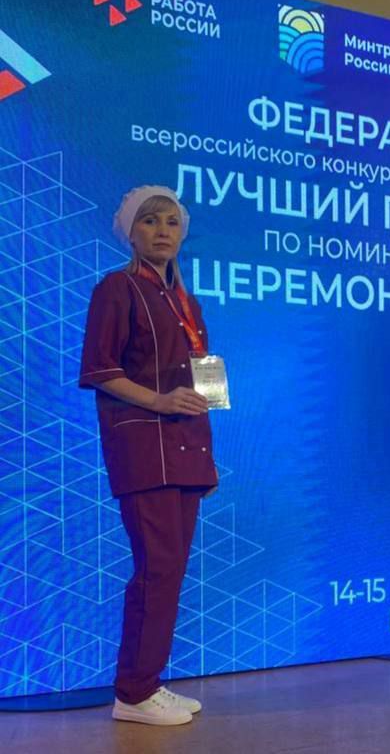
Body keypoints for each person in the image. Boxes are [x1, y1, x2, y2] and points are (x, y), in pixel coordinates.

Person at [79, 186, 219, 726]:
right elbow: (99, 370)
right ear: (130, 232)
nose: (162, 230)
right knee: (156, 569)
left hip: (186, 450)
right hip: (145, 450)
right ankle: (134, 691)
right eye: (150, 221)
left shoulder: (186, 302)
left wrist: (204, 456)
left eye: (172, 222)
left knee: (171, 571)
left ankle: (147, 682)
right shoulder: (117, 289)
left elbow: (200, 384)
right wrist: (159, 401)